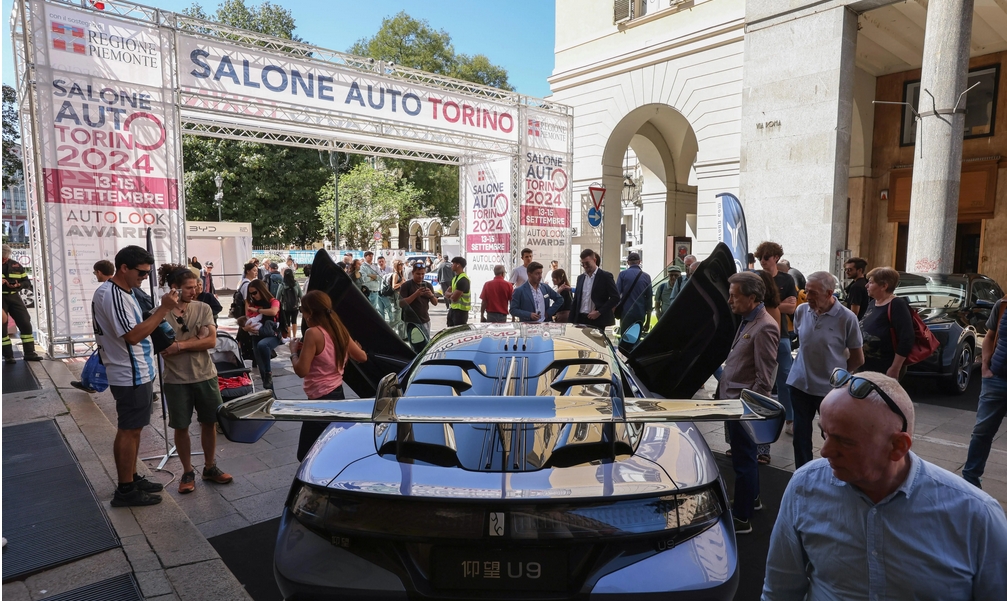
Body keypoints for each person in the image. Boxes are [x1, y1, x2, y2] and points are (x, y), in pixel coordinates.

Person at [762, 370, 1007, 600]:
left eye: (844, 442)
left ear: (898, 447)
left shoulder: (976, 515)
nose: (824, 451)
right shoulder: (804, 487)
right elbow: (779, 591)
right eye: (824, 433)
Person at [92, 245, 178, 507]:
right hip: (130, 373)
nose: (144, 277)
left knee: (134, 429)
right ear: (124, 268)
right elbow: (132, 336)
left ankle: (130, 477)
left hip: (135, 371)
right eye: (141, 273)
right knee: (129, 431)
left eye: (147, 273)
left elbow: (135, 327)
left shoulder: (122, 292)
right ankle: (126, 489)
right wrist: (163, 310)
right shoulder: (113, 293)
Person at [156, 265, 233, 494]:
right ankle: (187, 471)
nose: (195, 290)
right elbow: (164, 349)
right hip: (176, 379)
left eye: (196, 285)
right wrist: (195, 340)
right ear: (174, 289)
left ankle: (210, 467)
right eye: (189, 287)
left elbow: (210, 342)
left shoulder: (203, 307)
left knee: (209, 422)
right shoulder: (159, 313)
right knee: (181, 426)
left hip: (205, 375)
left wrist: (180, 345)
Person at [720, 272, 779, 534]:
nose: (730, 300)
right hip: (734, 403)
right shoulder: (747, 320)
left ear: (752, 298)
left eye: (735, 295)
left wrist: (748, 410)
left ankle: (742, 518)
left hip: (742, 407)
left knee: (743, 462)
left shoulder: (765, 326)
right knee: (746, 459)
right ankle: (752, 500)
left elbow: (764, 378)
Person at [786, 271, 865, 468]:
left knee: (832, 436)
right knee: (800, 437)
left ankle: (835, 473)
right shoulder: (802, 311)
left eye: (813, 293)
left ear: (829, 292)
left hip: (829, 391)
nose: (807, 296)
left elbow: (858, 358)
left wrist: (838, 378)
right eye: (806, 291)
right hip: (799, 384)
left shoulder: (847, 318)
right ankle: (802, 474)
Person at [289, 291, 368, 462]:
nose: (302, 314)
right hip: (337, 393)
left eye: (303, 310)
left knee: (307, 453)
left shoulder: (313, 333)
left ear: (310, 312)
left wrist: (293, 353)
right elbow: (362, 357)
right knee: (329, 445)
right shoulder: (339, 329)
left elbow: (301, 370)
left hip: (319, 399)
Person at [963, 292, 1007, 488]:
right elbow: (989, 336)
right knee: (982, 432)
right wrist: (985, 366)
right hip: (996, 379)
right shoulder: (1003, 304)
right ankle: (970, 480)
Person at [755, 241, 797, 444]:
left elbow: (792, 307)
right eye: (760, 257)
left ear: (776, 258)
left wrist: (769, 306)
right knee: (761, 378)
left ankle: (790, 419)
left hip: (781, 335)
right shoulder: (754, 278)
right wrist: (779, 305)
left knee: (786, 378)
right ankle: (761, 419)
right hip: (759, 335)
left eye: (766, 257)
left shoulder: (786, 279)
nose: (762, 260)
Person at [859, 267, 914, 379]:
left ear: (884, 286)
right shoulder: (873, 303)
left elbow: (907, 338)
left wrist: (895, 367)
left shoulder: (897, 305)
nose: (866, 286)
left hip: (884, 367)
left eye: (871, 282)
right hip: (865, 365)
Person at [2, 244, 43, 363]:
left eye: (6, 258)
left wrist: (18, 285)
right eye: (2, 258)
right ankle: (8, 356)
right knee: (2, 328)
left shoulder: (15, 265)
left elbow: (26, 282)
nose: (4, 260)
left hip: (14, 296)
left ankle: (30, 353)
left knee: (25, 322)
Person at [241, 280, 281, 389]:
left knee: (263, 345)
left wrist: (258, 310)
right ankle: (271, 395)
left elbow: (273, 311)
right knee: (262, 369)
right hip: (256, 336)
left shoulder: (273, 301)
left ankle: (269, 372)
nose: (253, 296)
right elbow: (246, 319)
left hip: (272, 334)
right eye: (251, 294)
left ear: (261, 290)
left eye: (255, 293)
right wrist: (246, 328)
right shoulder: (251, 303)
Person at [572, 249, 620, 329]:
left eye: (587, 263)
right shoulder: (580, 278)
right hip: (580, 319)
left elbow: (615, 297)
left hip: (597, 320)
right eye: (582, 264)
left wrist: (599, 312)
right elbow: (576, 300)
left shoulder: (605, 276)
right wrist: (571, 321)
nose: (585, 266)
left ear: (594, 260)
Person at [399, 262, 438, 338]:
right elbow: (401, 304)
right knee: (416, 347)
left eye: (423, 274)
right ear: (413, 273)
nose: (421, 276)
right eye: (418, 274)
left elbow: (435, 303)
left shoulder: (428, 285)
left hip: (425, 320)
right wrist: (416, 294)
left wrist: (431, 295)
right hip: (412, 321)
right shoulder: (406, 285)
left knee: (426, 345)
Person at [615, 252, 653, 331]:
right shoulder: (646, 277)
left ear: (628, 263)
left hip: (626, 312)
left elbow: (616, 294)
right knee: (636, 338)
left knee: (625, 337)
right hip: (640, 312)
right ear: (639, 262)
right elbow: (649, 299)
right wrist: (648, 321)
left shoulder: (622, 275)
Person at [446, 257, 471, 327]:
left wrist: (450, 295)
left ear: (458, 265)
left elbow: (454, 298)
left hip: (461, 312)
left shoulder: (463, 280)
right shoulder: (454, 278)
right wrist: (451, 294)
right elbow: (446, 293)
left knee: (458, 332)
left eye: (453, 264)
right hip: (453, 309)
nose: (452, 265)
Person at [277, 269, 302, 337]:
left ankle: (289, 337)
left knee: (287, 322)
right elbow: (301, 295)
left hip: (285, 307)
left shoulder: (282, 285)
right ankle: (294, 336)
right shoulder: (296, 284)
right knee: (294, 321)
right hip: (295, 306)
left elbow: (277, 297)